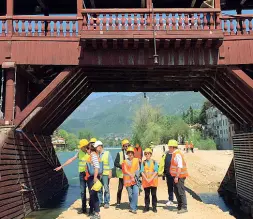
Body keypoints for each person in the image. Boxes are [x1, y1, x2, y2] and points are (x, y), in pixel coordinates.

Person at [54, 139, 89, 214]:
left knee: (91, 191)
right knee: (83, 191)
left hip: (89, 174)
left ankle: (92, 208)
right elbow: (71, 160)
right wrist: (61, 166)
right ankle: (84, 209)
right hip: (82, 174)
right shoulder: (79, 152)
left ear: (85, 146)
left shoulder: (90, 152)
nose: (80, 148)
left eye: (81, 147)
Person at [168, 139, 188, 214]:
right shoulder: (174, 154)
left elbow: (179, 166)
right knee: (176, 191)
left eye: (169, 147)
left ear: (173, 147)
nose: (168, 148)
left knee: (181, 191)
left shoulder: (177, 154)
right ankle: (179, 206)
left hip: (179, 176)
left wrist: (177, 177)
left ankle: (184, 207)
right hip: (176, 176)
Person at [95, 140, 114, 209]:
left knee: (106, 188)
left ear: (100, 147)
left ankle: (106, 202)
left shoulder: (107, 153)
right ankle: (100, 202)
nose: (95, 148)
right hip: (98, 174)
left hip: (106, 174)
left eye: (96, 147)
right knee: (99, 188)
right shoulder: (96, 154)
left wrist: (110, 172)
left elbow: (111, 163)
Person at [85, 143, 101, 219]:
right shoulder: (92, 155)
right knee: (93, 195)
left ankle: (97, 213)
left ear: (90, 149)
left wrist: (95, 178)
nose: (86, 150)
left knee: (94, 195)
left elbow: (97, 167)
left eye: (87, 149)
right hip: (91, 177)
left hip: (93, 177)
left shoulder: (93, 155)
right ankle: (94, 212)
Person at [122, 146, 140, 214]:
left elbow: (137, 169)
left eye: (131, 153)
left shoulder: (136, 160)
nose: (130, 154)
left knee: (135, 193)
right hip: (127, 181)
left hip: (135, 180)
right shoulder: (124, 161)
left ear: (133, 153)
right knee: (130, 195)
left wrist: (134, 176)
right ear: (127, 154)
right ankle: (132, 205)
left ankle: (133, 208)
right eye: (129, 153)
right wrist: (131, 175)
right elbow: (125, 170)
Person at [141, 148, 158, 213]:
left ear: (151, 154)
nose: (147, 155)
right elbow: (142, 171)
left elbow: (156, 171)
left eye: (148, 154)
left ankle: (154, 207)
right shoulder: (143, 162)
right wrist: (146, 179)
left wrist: (150, 179)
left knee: (154, 195)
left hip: (153, 182)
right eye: (146, 154)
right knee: (146, 195)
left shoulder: (154, 162)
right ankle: (147, 207)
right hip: (146, 182)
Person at [114, 139, 130, 209]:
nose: (126, 147)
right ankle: (118, 203)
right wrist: (122, 166)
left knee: (129, 190)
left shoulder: (131, 153)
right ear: (123, 147)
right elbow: (115, 163)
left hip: (129, 175)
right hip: (122, 175)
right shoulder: (119, 154)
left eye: (128, 146)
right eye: (125, 146)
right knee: (120, 189)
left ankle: (131, 202)